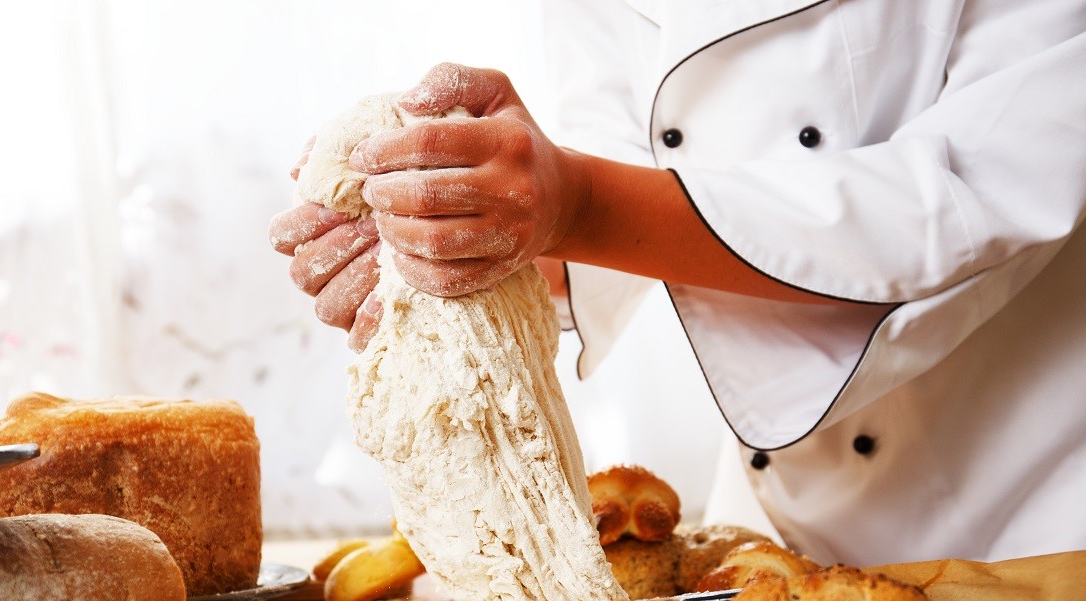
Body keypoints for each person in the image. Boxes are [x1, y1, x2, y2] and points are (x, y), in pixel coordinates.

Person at [270, 0, 1086, 567]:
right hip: (771, 536)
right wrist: (471, 238)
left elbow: (973, 190)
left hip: (1025, 517)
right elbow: (627, 170)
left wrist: (572, 203)